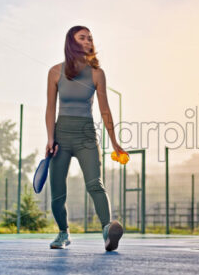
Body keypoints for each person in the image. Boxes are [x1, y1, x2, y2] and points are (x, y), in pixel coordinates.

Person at [45, 25, 126, 251]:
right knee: (57, 189)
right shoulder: (54, 72)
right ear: (72, 42)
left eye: (90, 38)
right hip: (61, 136)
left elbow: (105, 110)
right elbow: (50, 109)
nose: (88, 41)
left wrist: (115, 142)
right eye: (83, 37)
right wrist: (50, 139)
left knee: (95, 184)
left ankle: (107, 231)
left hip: (86, 136)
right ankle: (63, 233)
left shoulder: (96, 73)